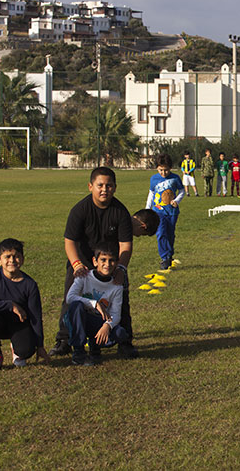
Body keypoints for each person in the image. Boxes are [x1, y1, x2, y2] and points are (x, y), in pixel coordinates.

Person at [50, 167, 152, 359]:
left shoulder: (120, 212)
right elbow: (69, 241)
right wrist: (77, 264)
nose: (104, 189)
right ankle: (64, 340)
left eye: (109, 185)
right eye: (100, 185)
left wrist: (120, 268)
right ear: (91, 186)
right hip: (82, 261)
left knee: (121, 296)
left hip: (109, 263)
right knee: (70, 297)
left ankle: (124, 341)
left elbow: (126, 246)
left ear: (115, 188)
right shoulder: (79, 210)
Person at [0, 238, 50, 371]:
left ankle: (17, 349)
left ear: (22, 259)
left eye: (16, 256)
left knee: (27, 350)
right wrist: (11, 305)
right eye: (7, 256)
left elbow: (36, 316)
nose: (12, 260)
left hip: (19, 325)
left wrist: (40, 346)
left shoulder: (30, 284)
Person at [65, 242, 131, 366]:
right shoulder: (84, 276)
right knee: (76, 306)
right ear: (95, 262)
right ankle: (78, 352)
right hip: (80, 318)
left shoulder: (116, 286)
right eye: (103, 260)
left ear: (117, 264)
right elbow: (70, 298)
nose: (107, 264)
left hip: (98, 321)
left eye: (111, 261)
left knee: (120, 333)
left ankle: (95, 347)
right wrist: (94, 304)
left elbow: (116, 314)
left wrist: (107, 325)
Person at [146, 153, 185, 270]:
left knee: (170, 234)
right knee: (161, 232)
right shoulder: (154, 179)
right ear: (157, 168)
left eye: (166, 170)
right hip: (158, 211)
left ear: (170, 168)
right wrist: (147, 209)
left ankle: (169, 254)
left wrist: (177, 200)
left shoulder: (175, 178)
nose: (163, 173)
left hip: (172, 212)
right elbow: (151, 194)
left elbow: (182, 191)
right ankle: (164, 258)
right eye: (161, 170)